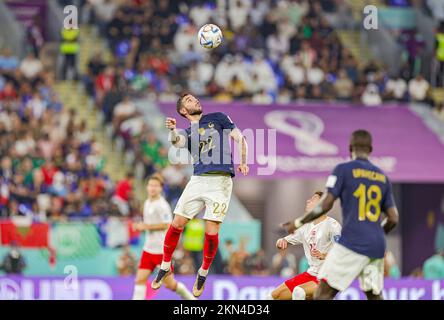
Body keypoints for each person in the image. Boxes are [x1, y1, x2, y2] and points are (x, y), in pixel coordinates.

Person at [151, 93, 249, 297]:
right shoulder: (187, 132)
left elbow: (240, 138)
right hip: (198, 180)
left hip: (221, 182)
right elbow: (177, 142)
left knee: (211, 232)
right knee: (176, 223)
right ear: (183, 111)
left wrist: (243, 161)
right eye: (189, 100)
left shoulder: (219, 117)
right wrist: (171, 130)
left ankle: (203, 271)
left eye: (194, 98)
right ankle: (165, 265)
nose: (195, 100)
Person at [291, 129, 399, 300]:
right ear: (370, 149)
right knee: (373, 295)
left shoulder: (343, 169)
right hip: (375, 245)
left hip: (353, 242)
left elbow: (326, 203)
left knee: (323, 292)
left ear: (350, 148)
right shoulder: (382, 177)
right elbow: (393, 218)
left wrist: (298, 222)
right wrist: (376, 235)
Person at [132, 174, 195, 300]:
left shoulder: (162, 205)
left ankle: (190, 298)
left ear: (161, 188)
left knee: (170, 285)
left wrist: (145, 227)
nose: (152, 188)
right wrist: (143, 226)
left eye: (156, 186)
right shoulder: (147, 202)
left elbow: (167, 224)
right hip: (148, 249)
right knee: (140, 279)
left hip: (161, 252)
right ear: (147, 187)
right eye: (150, 185)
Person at [269, 191, 341, 300]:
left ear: (322, 204)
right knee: (273, 296)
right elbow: (283, 241)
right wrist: (280, 241)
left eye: (313, 199)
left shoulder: (332, 225)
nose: (308, 201)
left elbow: (340, 252)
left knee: (299, 292)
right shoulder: (305, 226)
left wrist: (324, 255)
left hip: (328, 275)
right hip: (312, 274)